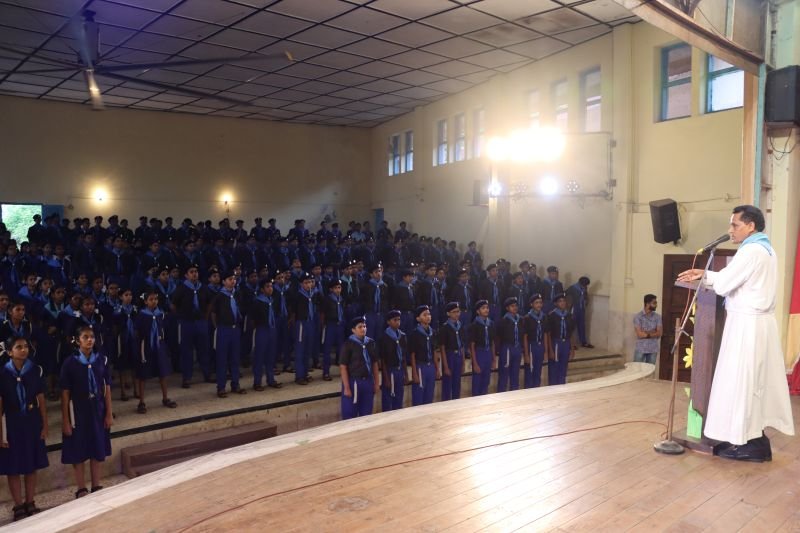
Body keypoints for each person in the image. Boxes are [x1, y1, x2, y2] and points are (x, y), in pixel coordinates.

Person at [677, 204, 794, 462]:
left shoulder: (751, 250)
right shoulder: (765, 249)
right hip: (758, 324)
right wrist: (706, 274)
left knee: (742, 382)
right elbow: (735, 278)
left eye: (735, 225)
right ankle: (755, 440)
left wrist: (706, 277)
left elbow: (726, 284)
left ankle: (746, 443)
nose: (730, 230)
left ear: (750, 226)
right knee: (753, 384)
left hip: (746, 326)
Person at [60, 325, 112, 498]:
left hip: (97, 409)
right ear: (77, 341)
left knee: (97, 445)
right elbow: (65, 393)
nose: (90, 340)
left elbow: (107, 388)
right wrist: (66, 420)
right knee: (78, 447)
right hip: (78, 412)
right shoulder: (70, 363)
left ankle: (96, 484)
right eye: (85, 337)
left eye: (92, 337)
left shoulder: (101, 360)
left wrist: (108, 413)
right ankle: (81, 487)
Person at [0, 336, 48, 521]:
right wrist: (0, 434)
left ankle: (30, 501)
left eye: (26, 346)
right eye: (18, 347)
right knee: (13, 466)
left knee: (31, 464)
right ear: (9, 352)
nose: (23, 350)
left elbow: (41, 399)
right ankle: (18, 504)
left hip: (31, 421)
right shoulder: (3, 373)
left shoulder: (34, 370)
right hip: (11, 423)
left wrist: (44, 424)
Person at [133, 291, 177, 413]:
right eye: (151, 299)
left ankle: (165, 398)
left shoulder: (160, 314)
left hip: (159, 345)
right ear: (145, 301)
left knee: (162, 373)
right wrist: (140, 344)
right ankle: (141, 402)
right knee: (143, 375)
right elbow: (136, 331)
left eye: (155, 299)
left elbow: (164, 328)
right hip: (145, 346)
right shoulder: (142, 315)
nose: (154, 301)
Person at [210, 272, 245, 397]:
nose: (233, 281)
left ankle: (235, 384)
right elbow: (213, 313)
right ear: (224, 281)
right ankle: (221, 387)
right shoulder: (219, 296)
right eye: (230, 279)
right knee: (222, 359)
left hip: (235, 329)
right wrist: (217, 327)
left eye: (234, 279)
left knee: (235, 358)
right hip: (224, 329)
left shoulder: (237, 294)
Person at [339, 316, 379, 420]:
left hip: (368, 381)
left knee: (366, 412)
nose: (363, 329)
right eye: (360, 327)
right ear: (353, 330)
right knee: (350, 413)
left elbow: (374, 363)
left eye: (364, 326)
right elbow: (343, 366)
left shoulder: (371, 343)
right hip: (354, 382)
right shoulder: (348, 344)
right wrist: (346, 387)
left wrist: (376, 383)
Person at [249, 278, 282, 391]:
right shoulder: (257, 301)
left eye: (271, 286)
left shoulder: (273, 300)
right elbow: (252, 319)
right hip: (262, 330)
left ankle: (271, 379)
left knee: (271, 356)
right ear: (262, 289)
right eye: (267, 287)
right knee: (259, 356)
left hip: (272, 329)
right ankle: (257, 382)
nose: (270, 289)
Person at [409, 305, 439, 406]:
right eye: (424, 315)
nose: (428, 316)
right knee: (418, 397)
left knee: (429, 396)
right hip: (420, 367)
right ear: (418, 318)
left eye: (429, 314)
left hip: (431, 366)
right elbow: (412, 354)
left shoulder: (432, 332)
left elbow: (434, 351)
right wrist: (414, 372)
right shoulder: (415, 334)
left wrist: (437, 368)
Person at [379, 310, 408, 411]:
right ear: (388, 322)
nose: (397, 322)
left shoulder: (402, 336)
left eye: (399, 319)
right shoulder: (384, 337)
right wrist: (386, 378)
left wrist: (406, 374)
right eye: (395, 320)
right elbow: (383, 360)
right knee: (388, 399)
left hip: (400, 370)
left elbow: (403, 357)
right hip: (390, 371)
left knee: (399, 397)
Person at [439, 302, 466, 401]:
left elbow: (462, 345)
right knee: (447, 384)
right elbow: (442, 348)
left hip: (458, 355)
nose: (457, 314)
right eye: (454, 312)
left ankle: (456, 402)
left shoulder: (460, 325)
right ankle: (446, 404)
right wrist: (445, 366)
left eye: (458, 311)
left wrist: (463, 362)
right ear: (448, 313)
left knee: (457, 383)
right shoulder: (445, 327)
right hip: (449, 356)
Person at [546, 293, 575, 385]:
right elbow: (548, 334)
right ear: (556, 303)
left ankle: (561, 387)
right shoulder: (552, 315)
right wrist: (550, 350)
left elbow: (571, 333)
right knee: (554, 368)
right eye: (560, 301)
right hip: (556, 343)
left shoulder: (569, 315)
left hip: (566, 343)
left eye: (564, 301)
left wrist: (572, 349)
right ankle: (553, 387)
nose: (562, 303)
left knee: (564, 367)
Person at [321, 279, 346, 381]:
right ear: (331, 289)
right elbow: (323, 313)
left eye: (339, 288)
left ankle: (342, 371)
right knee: (327, 349)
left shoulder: (342, 299)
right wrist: (323, 325)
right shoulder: (327, 299)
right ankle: (326, 372)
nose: (338, 290)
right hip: (330, 325)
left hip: (340, 325)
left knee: (341, 349)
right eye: (335, 288)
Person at [496, 297, 523, 392]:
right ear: (507, 308)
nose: (515, 308)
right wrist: (499, 350)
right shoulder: (503, 321)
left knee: (515, 374)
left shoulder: (520, 319)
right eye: (512, 306)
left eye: (516, 306)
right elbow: (498, 337)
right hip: (507, 348)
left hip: (517, 347)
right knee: (504, 375)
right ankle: (501, 395)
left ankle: (514, 394)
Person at [469, 300, 496, 396]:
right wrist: (475, 363)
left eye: (487, 308)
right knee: (477, 381)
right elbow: (472, 345)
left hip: (488, 353)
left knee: (486, 380)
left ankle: (484, 399)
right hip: (479, 353)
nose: (486, 310)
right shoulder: (474, 325)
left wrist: (493, 359)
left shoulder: (491, 323)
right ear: (477, 311)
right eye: (483, 308)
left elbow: (492, 342)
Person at [523, 293, 547, 388]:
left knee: (538, 371)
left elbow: (545, 334)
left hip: (540, 346)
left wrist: (545, 351)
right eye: (536, 303)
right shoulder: (527, 318)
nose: (539, 305)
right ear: (531, 304)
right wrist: (526, 354)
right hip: (531, 346)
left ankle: (537, 389)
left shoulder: (544, 317)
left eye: (540, 302)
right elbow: (525, 336)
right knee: (529, 372)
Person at [633, 294, 662, 364]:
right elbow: (639, 334)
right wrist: (653, 332)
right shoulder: (638, 317)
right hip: (641, 348)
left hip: (653, 349)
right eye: (654, 303)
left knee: (650, 369)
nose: (656, 305)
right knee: (637, 369)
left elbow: (659, 333)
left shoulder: (657, 317)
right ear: (647, 304)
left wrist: (646, 333)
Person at [566, 276, 593, 348]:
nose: (585, 286)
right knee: (572, 326)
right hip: (574, 308)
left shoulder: (584, 288)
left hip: (581, 309)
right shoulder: (572, 288)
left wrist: (586, 301)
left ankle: (583, 342)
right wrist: (568, 305)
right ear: (580, 283)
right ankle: (570, 343)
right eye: (584, 285)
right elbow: (565, 295)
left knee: (582, 325)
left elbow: (585, 296)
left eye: (586, 285)